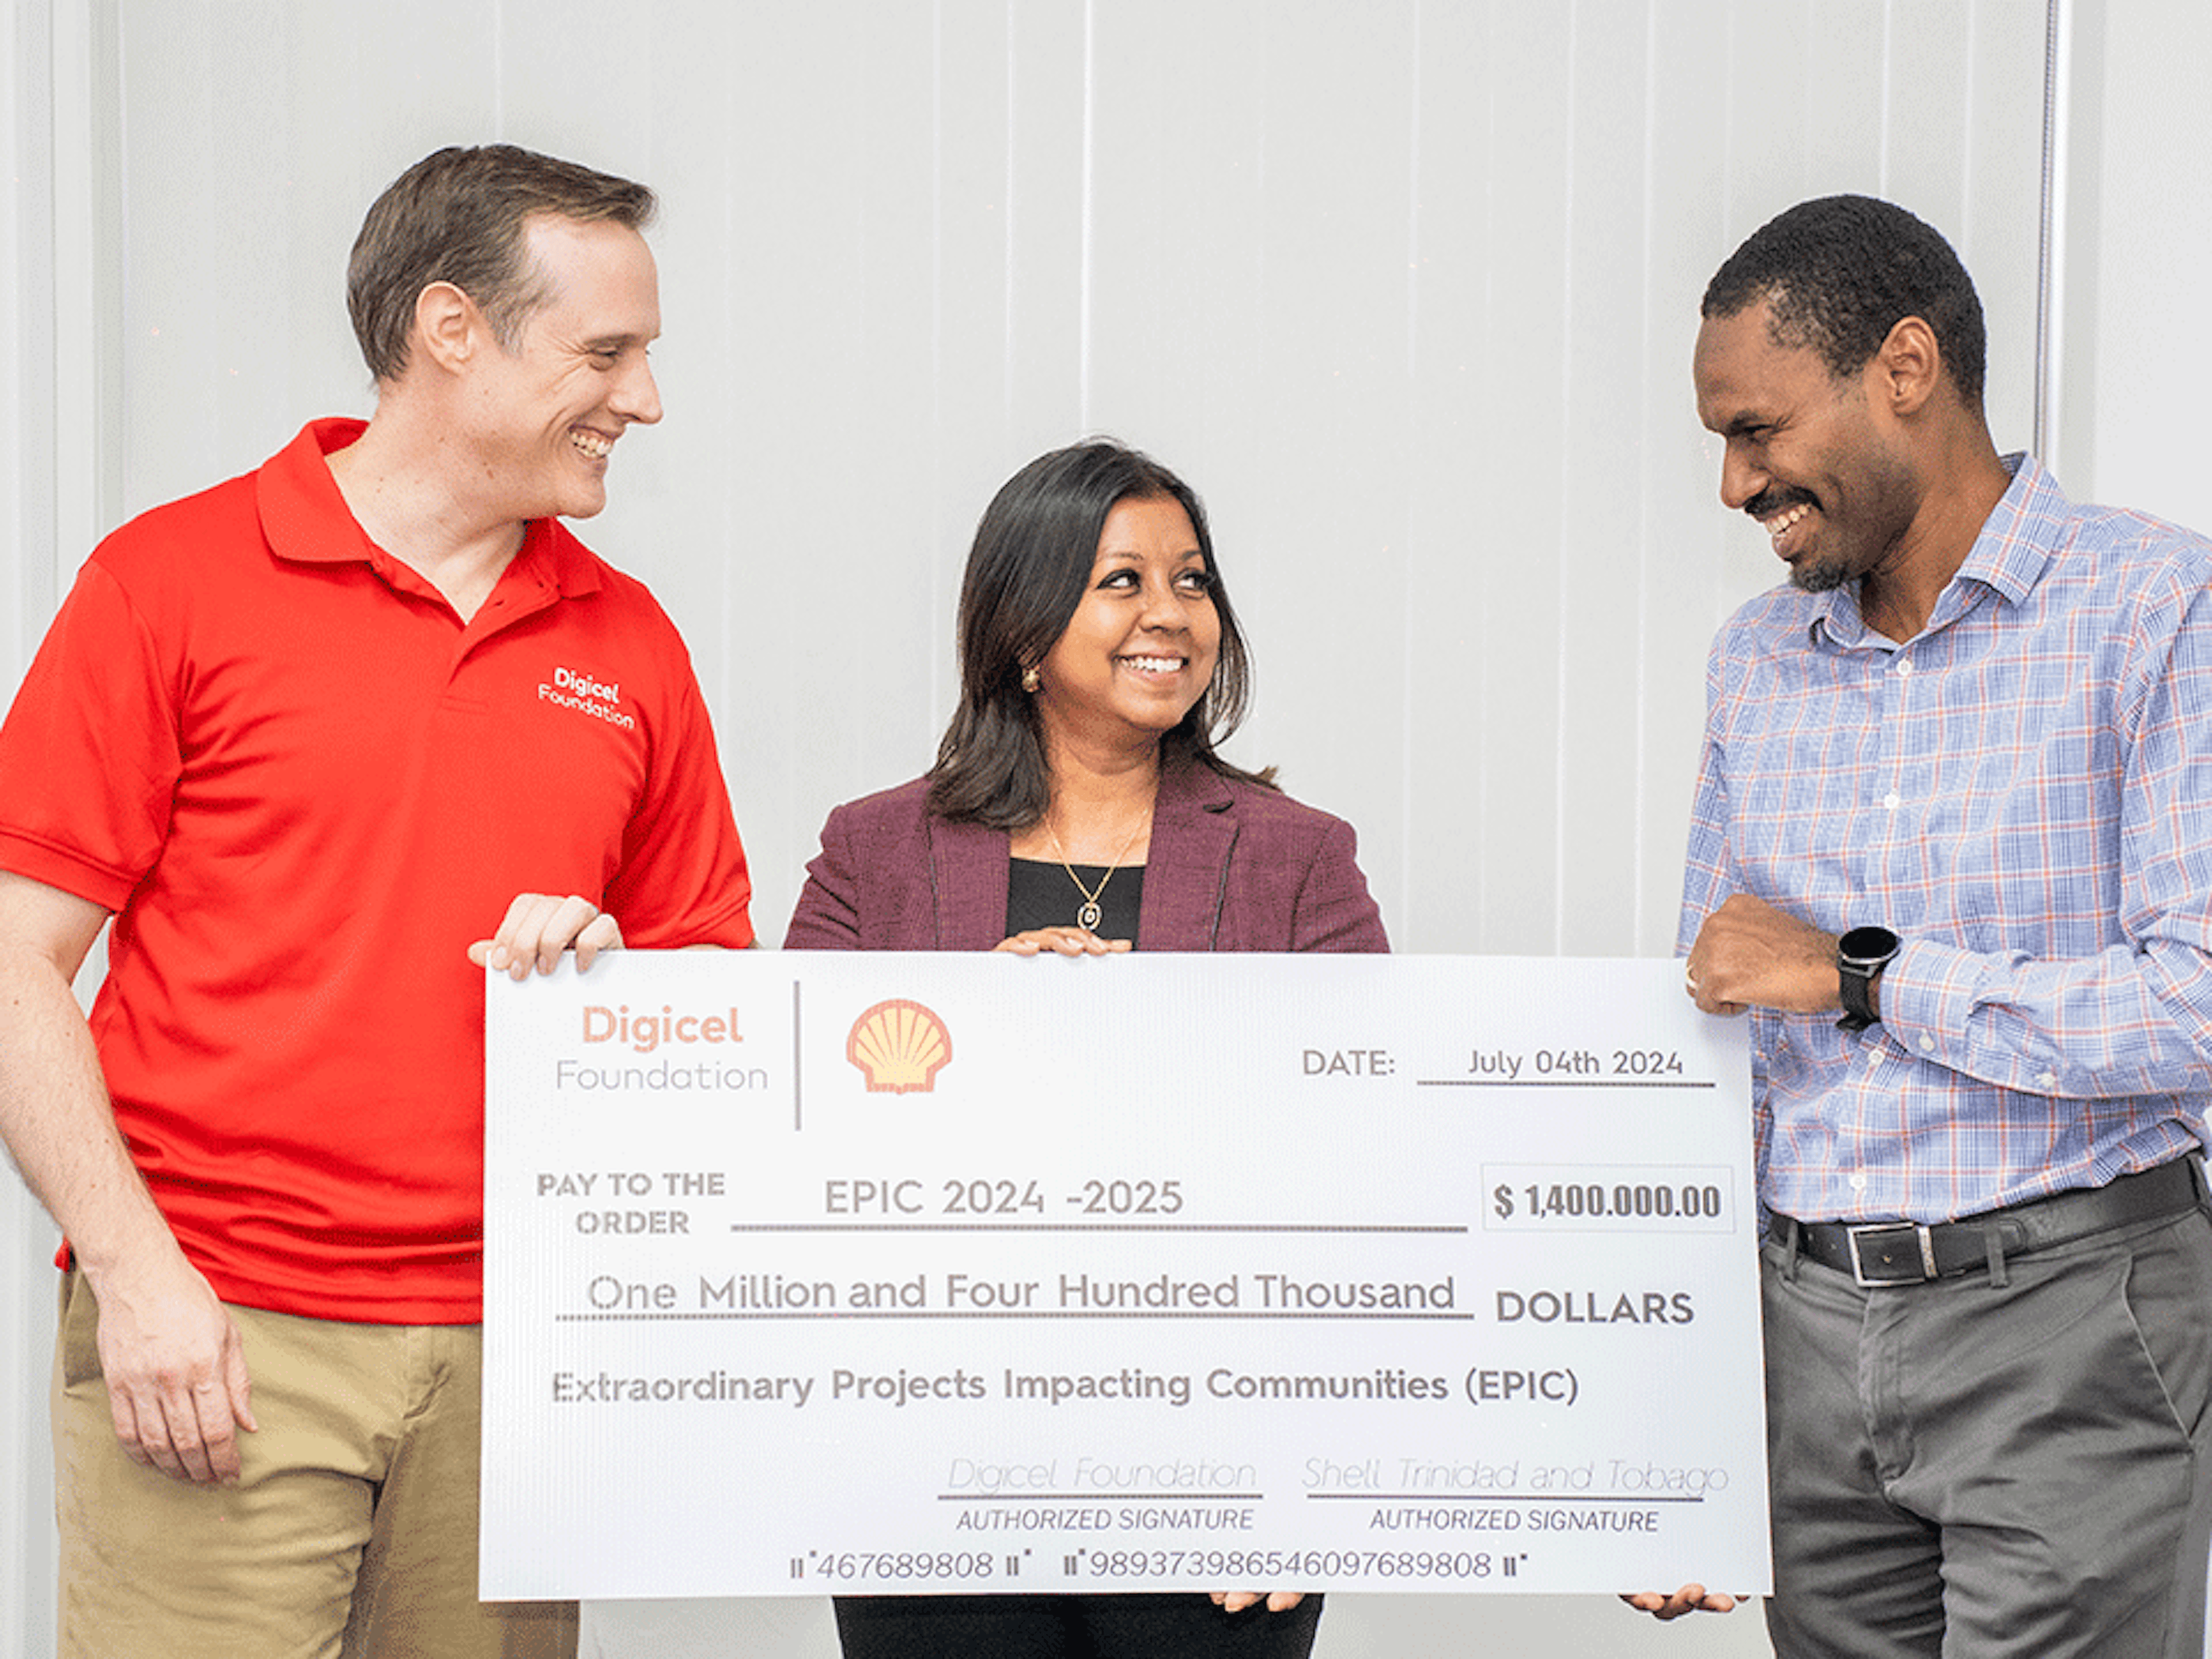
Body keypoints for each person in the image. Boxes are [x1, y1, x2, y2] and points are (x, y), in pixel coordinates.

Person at [0, 145, 755, 1658]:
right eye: (608, 352)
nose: (646, 401)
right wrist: (141, 1283)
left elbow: (714, 1008)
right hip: (223, 1335)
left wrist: (619, 984)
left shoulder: (637, 647)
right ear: (450, 328)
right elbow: (18, 963)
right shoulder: (169, 586)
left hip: (517, 1359)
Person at [1677, 193, 2212, 1657]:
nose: (1735, 483)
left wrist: (1863, 978)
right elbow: (1724, 1036)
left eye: (1759, 430)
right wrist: (1675, 1433)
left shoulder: (2159, 609)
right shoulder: (1756, 664)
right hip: (1805, 1336)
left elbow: (2195, 1010)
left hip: (2067, 1328)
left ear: (1904, 369)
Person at [786, 438, 1387, 1657]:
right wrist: (966, 1038)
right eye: (1123, 581)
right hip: (927, 1463)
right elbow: (786, 1133)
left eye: (1193, 579)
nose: (1170, 614)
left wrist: (1306, 1474)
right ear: (1022, 628)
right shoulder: (875, 852)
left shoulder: (1296, 858)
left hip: (1214, 1480)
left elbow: (1368, 1173)